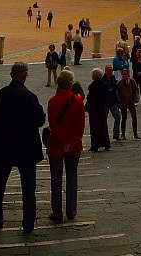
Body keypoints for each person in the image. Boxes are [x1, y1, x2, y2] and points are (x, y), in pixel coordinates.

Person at [0, 61, 45, 234]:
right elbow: (40, 120)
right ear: (25, 75)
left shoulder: (1, 95)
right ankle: (28, 223)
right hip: (25, 148)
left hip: (3, 146)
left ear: (11, 75)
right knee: (28, 187)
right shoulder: (29, 97)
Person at [46, 70, 85, 223]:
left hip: (56, 144)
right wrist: (71, 143)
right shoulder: (77, 100)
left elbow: (53, 125)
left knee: (56, 179)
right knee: (72, 177)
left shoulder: (52, 101)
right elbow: (80, 126)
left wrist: (62, 143)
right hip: (73, 146)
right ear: (71, 83)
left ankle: (57, 212)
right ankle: (71, 211)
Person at [84, 68, 111, 152]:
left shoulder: (93, 86)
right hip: (102, 108)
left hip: (94, 109)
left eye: (93, 75)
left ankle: (95, 145)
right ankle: (106, 143)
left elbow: (90, 98)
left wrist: (86, 107)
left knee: (94, 127)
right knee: (103, 126)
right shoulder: (104, 85)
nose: (92, 76)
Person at [116, 67, 139, 139]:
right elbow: (117, 92)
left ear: (128, 75)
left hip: (130, 101)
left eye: (125, 74)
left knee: (134, 117)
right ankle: (123, 134)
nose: (124, 76)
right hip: (123, 102)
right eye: (123, 74)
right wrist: (119, 101)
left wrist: (135, 98)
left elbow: (136, 89)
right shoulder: (119, 83)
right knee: (124, 118)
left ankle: (135, 133)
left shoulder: (131, 81)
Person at [103, 64, 122, 141]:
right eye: (109, 70)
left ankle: (116, 134)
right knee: (104, 120)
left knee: (118, 117)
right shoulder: (102, 80)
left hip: (113, 102)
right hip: (105, 103)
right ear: (105, 71)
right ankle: (104, 135)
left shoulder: (114, 78)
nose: (111, 72)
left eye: (111, 70)